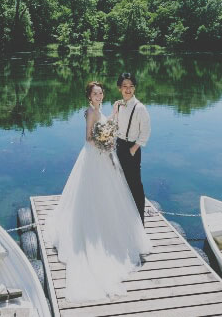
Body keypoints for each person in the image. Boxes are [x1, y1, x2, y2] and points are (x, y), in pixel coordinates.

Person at [48, 81, 152, 302]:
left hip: (104, 156)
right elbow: (88, 137)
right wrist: (103, 142)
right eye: (96, 93)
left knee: (110, 195)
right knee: (94, 194)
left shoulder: (100, 110)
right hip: (94, 157)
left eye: (101, 93)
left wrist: (112, 119)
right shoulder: (90, 112)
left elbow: (107, 126)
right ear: (89, 96)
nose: (99, 96)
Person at [113, 72, 150, 225]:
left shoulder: (140, 108)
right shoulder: (118, 105)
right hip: (118, 146)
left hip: (131, 149)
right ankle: (125, 220)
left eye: (131, 86)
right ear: (119, 88)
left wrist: (133, 149)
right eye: (125, 86)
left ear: (134, 88)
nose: (128, 90)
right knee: (120, 183)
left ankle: (139, 223)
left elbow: (146, 132)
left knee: (135, 185)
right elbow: (115, 125)